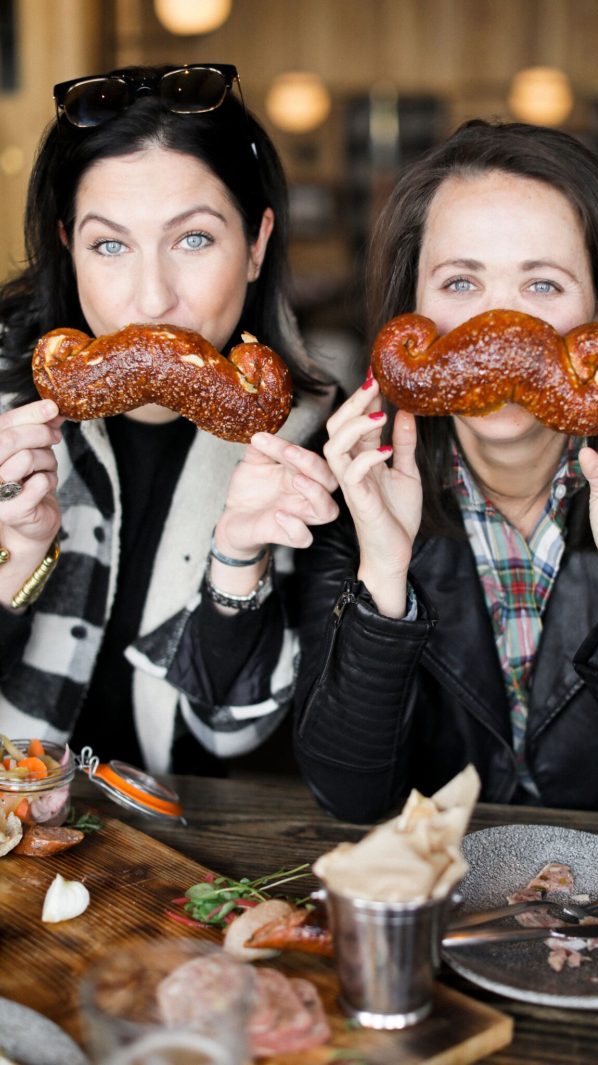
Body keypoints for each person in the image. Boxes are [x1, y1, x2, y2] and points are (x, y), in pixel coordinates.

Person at [287, 119, 598, 836]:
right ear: (411, 313)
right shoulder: (354, 482)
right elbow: (349, 796)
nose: (501, 332)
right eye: (461, 281)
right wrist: (383, 571)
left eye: (542, 284)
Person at [0, 64, 339, 775]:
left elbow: (229, 736)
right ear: (68, 246)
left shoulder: (310, 447)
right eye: (110, 245)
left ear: (255, 246)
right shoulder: (9, 416)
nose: (152, 298)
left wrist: (238, 560)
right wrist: (14, 559)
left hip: (174, 862)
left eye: (193, 240)